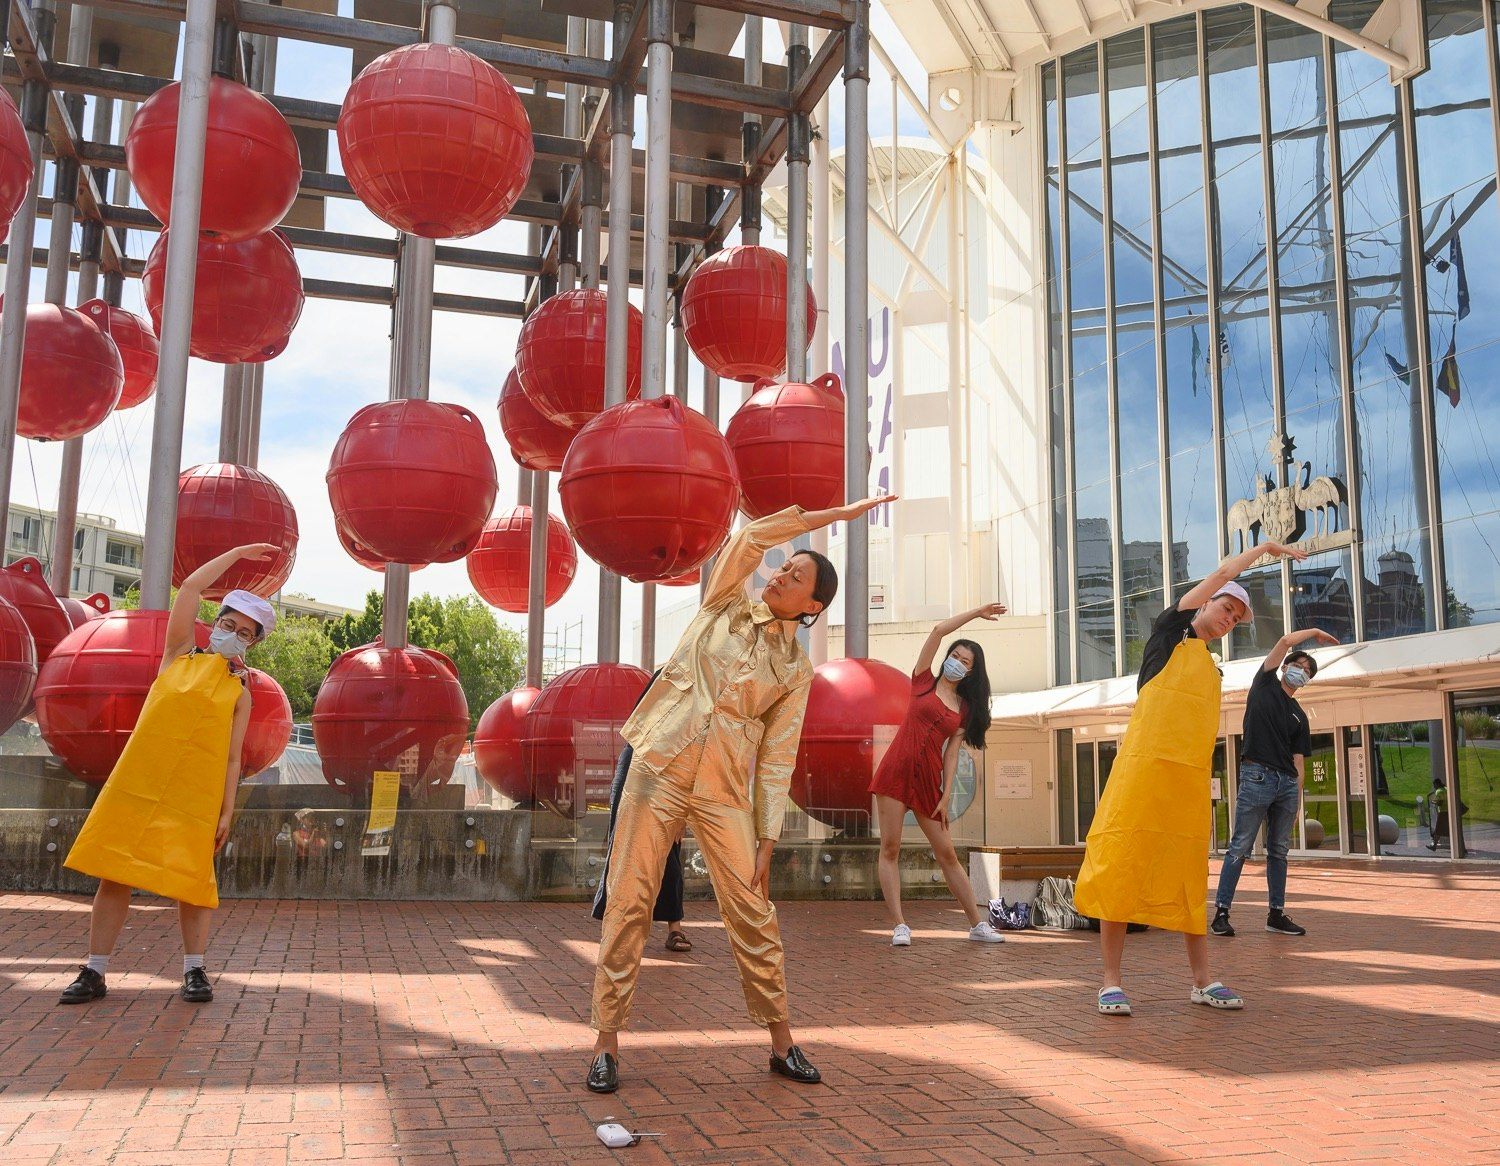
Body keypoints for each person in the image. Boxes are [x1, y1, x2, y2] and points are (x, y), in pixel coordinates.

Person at [586, 495, 890, 1094]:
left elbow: (776, 762)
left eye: (796, 576)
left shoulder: (795, 673)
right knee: (629, 901)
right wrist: (831, 517)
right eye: (784, 568)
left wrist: (768, 839)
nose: (780, 575)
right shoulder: (724, 603)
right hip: (659, 767)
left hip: (723, 790)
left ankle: (782, 1043)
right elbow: (750, 539)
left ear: (814, 606)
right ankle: (605, 1044)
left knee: (753, 913)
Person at [1073, 540, 1307, 1017]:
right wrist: (1262, 548)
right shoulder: (1169, 634)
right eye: (1226, 607)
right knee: (1120, 866)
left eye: (1237, 617)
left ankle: (1202, 981)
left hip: (1186, 785)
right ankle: (1110, 983)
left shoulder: (1212, 667)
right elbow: (1223, 571)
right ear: (1207, 601)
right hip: (1139, 775)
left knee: (1186, 877)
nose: (1229, 618)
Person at [57, 544, 280, 1006]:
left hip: (193, 797)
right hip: (138, 784)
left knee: (192, 882)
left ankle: (194, 971)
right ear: (215, 623)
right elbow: (193, 587)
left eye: (243, 632)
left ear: (252, 642)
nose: (231, 633)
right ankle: (95, 971)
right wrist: (239, 553)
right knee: (115, 874)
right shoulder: (177, 655)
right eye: (227, 623)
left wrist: (227, 812)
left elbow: (234, 760)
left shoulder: (241, 692)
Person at [869, 603, 1009, 945]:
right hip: (895, 772)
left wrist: (947, 795)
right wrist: (976, 613)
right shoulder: (922, 681)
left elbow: (951, 754)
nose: (958, 663)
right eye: (956, 656)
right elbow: (937, 632)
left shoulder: (964, 710)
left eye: (966, 662)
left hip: (929, 783)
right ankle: (900, 925)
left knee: (947, 853)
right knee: (890, 848)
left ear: (972, 672)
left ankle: (977, 925)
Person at [1211, 627, 1338, 939]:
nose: (1302, 672)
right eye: (1298, 666)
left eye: (1308, 671)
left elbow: (1299, 761)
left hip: (1286, 785)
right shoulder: (1264, 684)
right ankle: (1221, 913)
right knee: (1240, 847)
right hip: (1257, 776)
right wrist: (1315, 634)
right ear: (1284, 667)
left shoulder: (1299, 715)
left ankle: (1276, 914)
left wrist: (1297, 798)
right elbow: (1283, 641)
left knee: (1279, 851)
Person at [593, 700, 692, 954]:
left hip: (674, 765)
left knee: (669, 848)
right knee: (623, 847)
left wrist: (682, 813)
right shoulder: (666, 679)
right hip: (637, 757)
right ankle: (616, 926)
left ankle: (675, 927)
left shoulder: (704, 689)